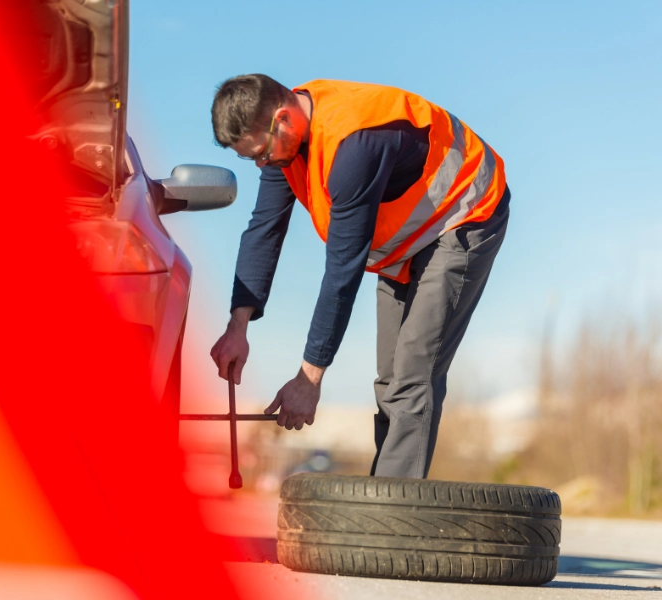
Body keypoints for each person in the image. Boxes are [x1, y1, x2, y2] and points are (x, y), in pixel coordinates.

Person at [209, 75, 509, 479]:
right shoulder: (283, 145)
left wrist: (308, 378)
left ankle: (392, 518)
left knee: (412, 376)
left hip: (465, 213)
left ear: (282, 118)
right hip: (408, 240)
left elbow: (342, 270)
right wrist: (237, 325)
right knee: (389, 382)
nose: (262, 164)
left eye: (260, 152)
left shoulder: (353, 145)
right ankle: (381, 503)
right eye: (251, 159)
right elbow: (265, 228)